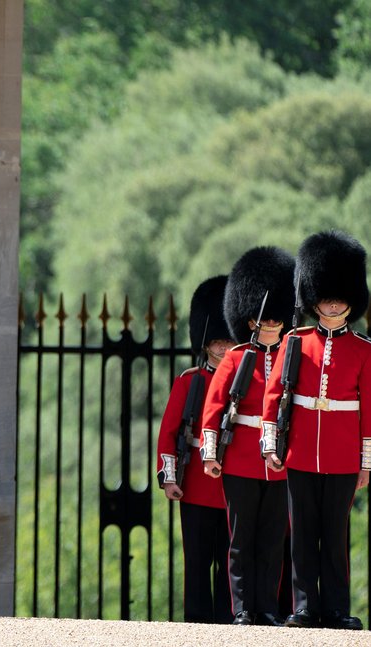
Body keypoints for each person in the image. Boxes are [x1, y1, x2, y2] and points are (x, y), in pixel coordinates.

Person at [261, 230, 371, 630]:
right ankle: (305, 606)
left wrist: (366, 463)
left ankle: (336, 609)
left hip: (343, 456)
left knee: (335, 537)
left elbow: (369, 412)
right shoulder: (296, 341)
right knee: (303, 535)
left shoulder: (363, 350)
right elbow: (274, 398)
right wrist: (271, 443)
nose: (333, 301)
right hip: (302, 452)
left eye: (340, 294)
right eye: (325, 294)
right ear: (313, 295)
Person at [200, 246, 295, 626]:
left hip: (281, 465)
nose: (270, 325)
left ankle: (267, 609)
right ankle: (243, 609)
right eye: (263, 320)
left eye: (275, 320)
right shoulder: (237, 358)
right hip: (240, 458)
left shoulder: (293, 354)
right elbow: (213, 410)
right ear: (250, 321)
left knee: (272, 543)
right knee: (241, 543)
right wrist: (210, 454)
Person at [155, 275, 234, 623]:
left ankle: (228, 622)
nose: (221, 347)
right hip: (198, 489)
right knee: (198, 563)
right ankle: (198, 625)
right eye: (215, 340)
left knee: (230, 565)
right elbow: (169, 435)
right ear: (204, 342)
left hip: (234, 486)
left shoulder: (243, 381)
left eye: (227, 340)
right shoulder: (190, 381)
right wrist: (170, 479)